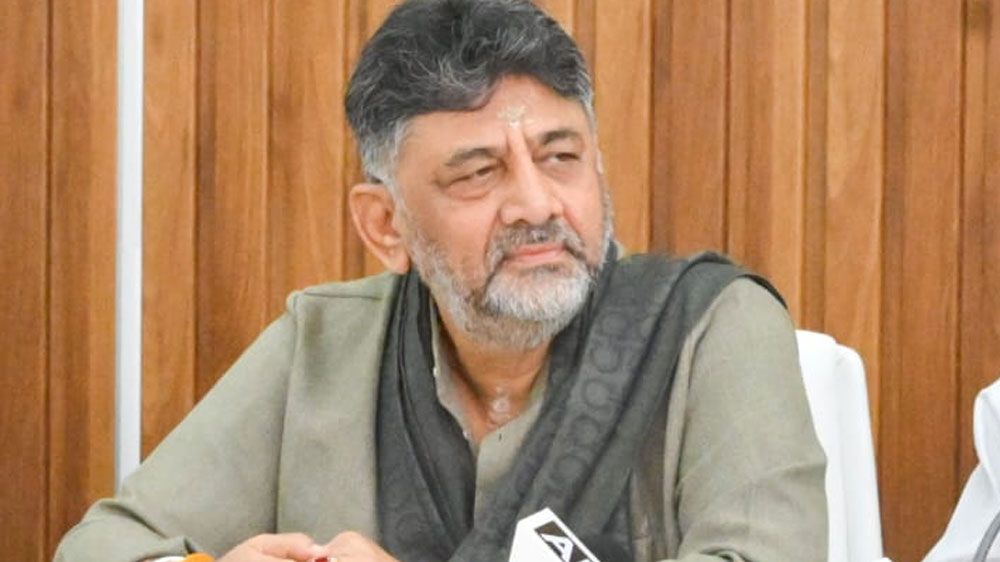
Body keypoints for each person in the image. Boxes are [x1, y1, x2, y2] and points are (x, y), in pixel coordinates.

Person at [55, 1, 827, 561]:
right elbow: (102, 546)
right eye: (478, 173)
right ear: (385, 226)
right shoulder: (321, 343)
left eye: (560, 157)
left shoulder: (711, 329)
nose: (536, 204)